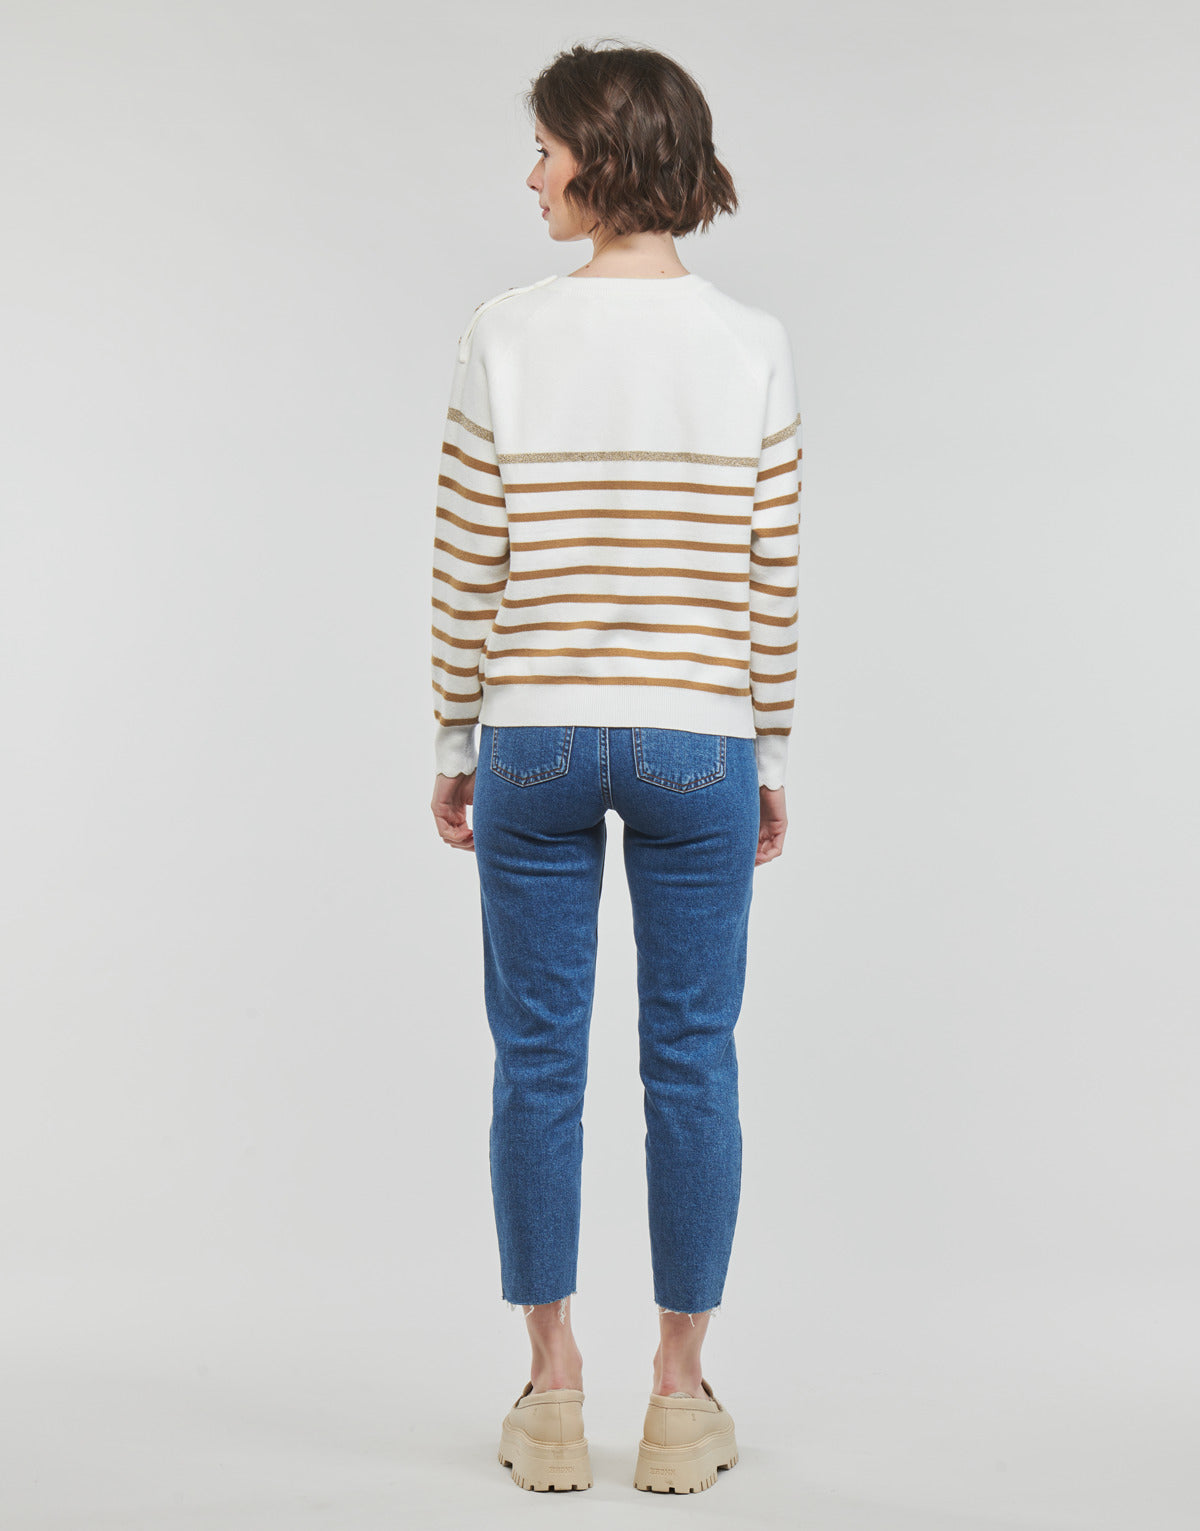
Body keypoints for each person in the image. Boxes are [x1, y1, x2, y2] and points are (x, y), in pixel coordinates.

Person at [429, 41, 802, 1495]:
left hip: (531, 731)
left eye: (546, 149)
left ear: (603, 154)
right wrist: (769, 746)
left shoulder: (505, 331)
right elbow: (770, 574)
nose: (531, 175)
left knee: (537, 1063)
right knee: (692, 1061)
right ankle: (681, 1395)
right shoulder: (750, 342)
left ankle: (549, 1388)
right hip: (699, 735)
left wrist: (454, 735)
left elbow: (468, 557)